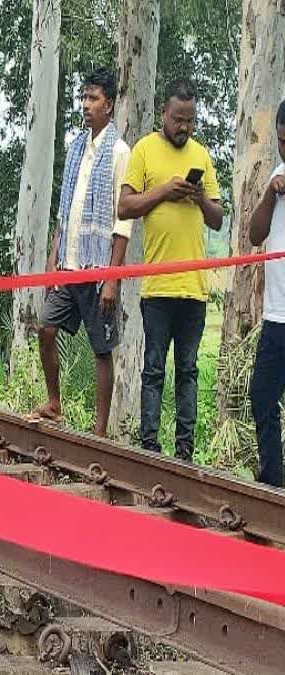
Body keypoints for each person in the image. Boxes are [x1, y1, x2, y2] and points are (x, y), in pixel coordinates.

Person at [116, 78, 224, 462]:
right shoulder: (144, 150)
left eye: (190, 120)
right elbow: (125, 208)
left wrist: (197, 197)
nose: (184, 127)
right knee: (154, 369)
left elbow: (217, 218)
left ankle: (184, 452)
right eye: (178, 119)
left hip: (194, 289)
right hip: (158, 287)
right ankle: (149, 445)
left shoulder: (202, 156)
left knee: (189, 372)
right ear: (164, 113)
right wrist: (164, 190)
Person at [26, 68, 132, 436]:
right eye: (84, 98)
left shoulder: (120, 152)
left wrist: (112, 279)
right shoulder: (75, 148)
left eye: (94, 99)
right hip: (69, 263)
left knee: (101, 349)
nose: (86, 105)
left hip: (99, 266)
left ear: (110, 104)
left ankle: (99, 432)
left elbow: (123, 221)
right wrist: (54, 258)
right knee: (45, 327)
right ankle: (54, 403)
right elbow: (63, 210)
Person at [249, 99, 285, 487]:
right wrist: (269, 195)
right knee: (262, 398)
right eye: (281, 141)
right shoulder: (279, 174)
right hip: (276, 316)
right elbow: (255, 234)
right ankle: (273, 484)